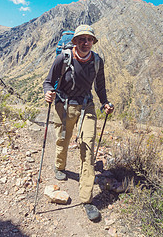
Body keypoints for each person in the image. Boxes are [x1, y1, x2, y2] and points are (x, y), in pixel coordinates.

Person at [43, 24, 114, 221]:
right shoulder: (63, 58)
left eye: (89, 39)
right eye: (81, 39)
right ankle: (60, 166)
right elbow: (48, 82)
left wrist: (105, 103)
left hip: (87, 107)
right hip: (64, 106)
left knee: (88, 150)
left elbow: (100, 88)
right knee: (63, 139)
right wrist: (48, 92)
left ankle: (87, 199)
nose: (85, 42)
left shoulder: (97, 61)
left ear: (93, 41)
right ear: (74, 41)